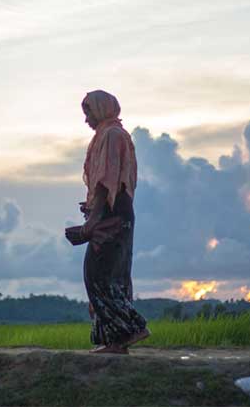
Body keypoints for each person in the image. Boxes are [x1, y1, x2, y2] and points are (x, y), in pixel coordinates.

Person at [65, 89, 151, 355]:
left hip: (113, 217)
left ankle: (129, 330)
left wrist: (91, 222)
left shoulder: (111, 136)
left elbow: (105, 182)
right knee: (113, 275)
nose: (87, 119)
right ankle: (116, 341)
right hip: (117, 214)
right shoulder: (111, 135)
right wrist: (91, 209)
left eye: (89, 112)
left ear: (101, 109)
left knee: (98, 275)